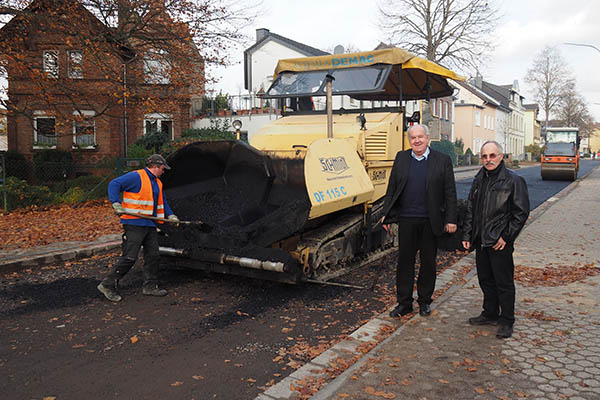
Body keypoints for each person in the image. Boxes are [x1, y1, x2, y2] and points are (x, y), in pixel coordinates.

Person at [381, 124, 457, 318]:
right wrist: (386, 213)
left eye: (420, 137)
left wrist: (450, 219)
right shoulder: (401, 158)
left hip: (430, 221)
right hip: (407, 220)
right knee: (404, 263)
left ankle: (424, 301)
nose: (417, 141)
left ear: (427, 138)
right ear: (409, 140)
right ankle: (404, 303)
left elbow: (450, 193)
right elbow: (392, 188)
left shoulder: (442, 161)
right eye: (413, 138)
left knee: (428, 264)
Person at [462, 141, 530, 339]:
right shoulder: (479, 179)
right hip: (481, 240)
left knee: (504, 282)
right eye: (484, 156)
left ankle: (507, 320)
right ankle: (490, 313)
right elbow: (471, 209)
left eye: (492, 156)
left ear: (501, 156)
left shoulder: (513, 180)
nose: (488, 160)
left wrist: (506, 237)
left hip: (499, 242)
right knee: (485, 279)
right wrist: (467, 235)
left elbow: (521, 213)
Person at [97, 154, 179, 302]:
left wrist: (171, 215)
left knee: (153, 255)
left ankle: (150, 286)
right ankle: (107, 284)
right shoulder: (136, 177)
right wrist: (115, 203)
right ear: (154, 166)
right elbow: (114, 184)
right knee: (130, 257)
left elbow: (163, 202)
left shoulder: (157, 183)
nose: (163, 171)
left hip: (150, 224)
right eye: (162, 168)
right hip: (134, 223)